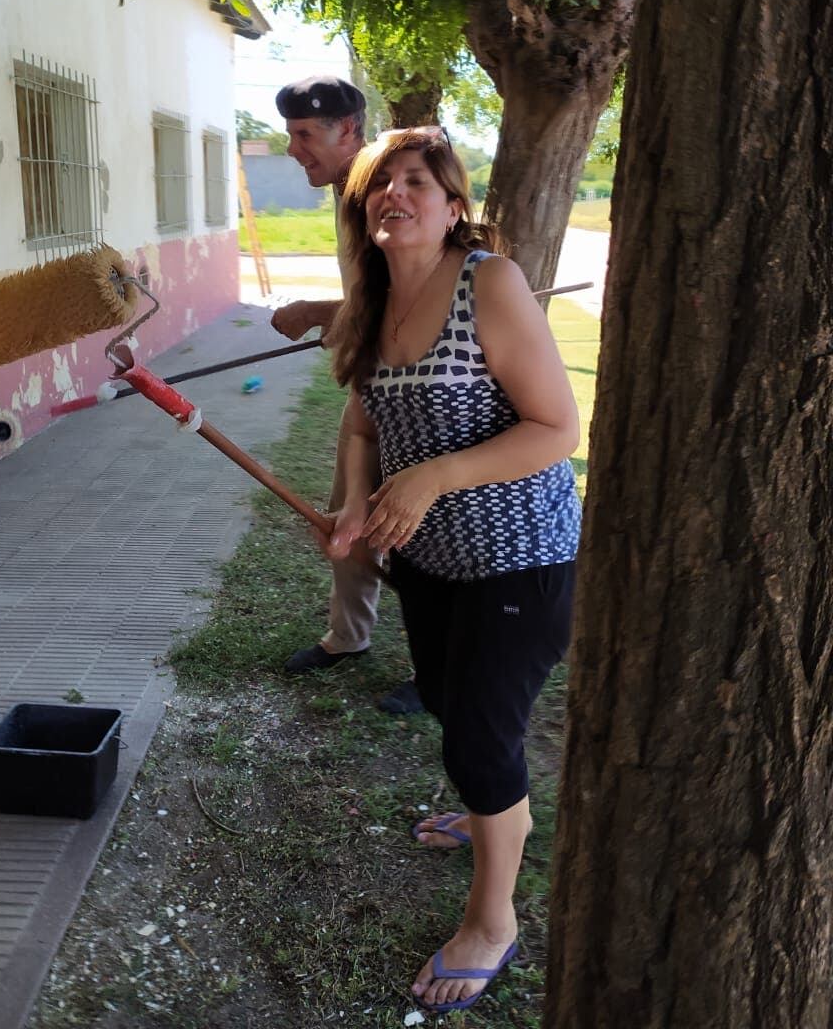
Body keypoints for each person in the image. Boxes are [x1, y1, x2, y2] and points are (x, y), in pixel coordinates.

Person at [324, 127, 581, 1014]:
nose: (395, 195)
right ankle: (485, 814)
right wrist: (359, 505)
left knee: (478, 739)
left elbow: (557, 428)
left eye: (415, 182)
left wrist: (435, 473)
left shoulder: (490, 283)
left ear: (453, 202)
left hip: (522, 558)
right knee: (443, 700)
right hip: (428, 562)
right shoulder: (369, 302)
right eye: (378, 185)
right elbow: (364, 425)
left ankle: (493, 920)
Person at [270, 76, 423, 715]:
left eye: (306, 134)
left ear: (349, 131)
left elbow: (409, 302)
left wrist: (314, 310)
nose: (294, 149)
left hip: (420, 393)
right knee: (346, 518)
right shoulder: (348, 191)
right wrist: (341, 320)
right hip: (374, 385)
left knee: (417, 530)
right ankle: (348, 637)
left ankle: (438, 666)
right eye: (291, 136)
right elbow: (372, 307)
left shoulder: (385, 192)